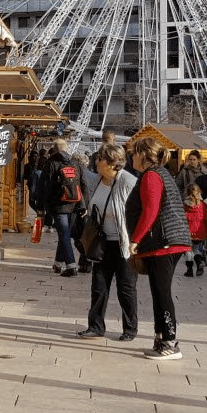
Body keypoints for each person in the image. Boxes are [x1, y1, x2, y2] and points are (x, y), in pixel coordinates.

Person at [128, 138, 191, 359]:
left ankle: (170, 343)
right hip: (168, 241)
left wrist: (135, 239)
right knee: (158, 291)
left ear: (143, 155)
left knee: (162, 292)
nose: (132, 157)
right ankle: (160, 338)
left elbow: (150, 211)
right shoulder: (159, 174)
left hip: (164, 242)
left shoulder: (152, 176)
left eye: (134, 153)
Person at [77, 138, 139, 342]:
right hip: (102, 243)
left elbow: (139, 211)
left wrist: (136, 240)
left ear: (113, 162)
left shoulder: (128, 181)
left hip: (124, 244)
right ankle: (95, 326)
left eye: (100, 159)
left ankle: (130, 328)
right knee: (99, 286)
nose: (96, 162)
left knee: (126, 288)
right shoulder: (96, 181)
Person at [40, 137, 84, 276]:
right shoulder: (75, 163)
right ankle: (58, 263)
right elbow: (82, 184)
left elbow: (44, 187)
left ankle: (71, 266)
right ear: (67, 148)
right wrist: (83, 205)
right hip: (74, 203)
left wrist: (41, 206)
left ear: (54, 149)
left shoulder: (51, 163)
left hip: (58, 205)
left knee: (64, 234)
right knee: (65, 234)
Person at [182, 180, 207, 277]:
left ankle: (189, 270)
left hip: (188, 230)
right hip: (199, 230)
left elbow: (182, 217)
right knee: (196, 249)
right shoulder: (202, 204)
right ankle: (199, 263)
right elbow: (206, 217)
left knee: (188, 250)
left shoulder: (185, 204)